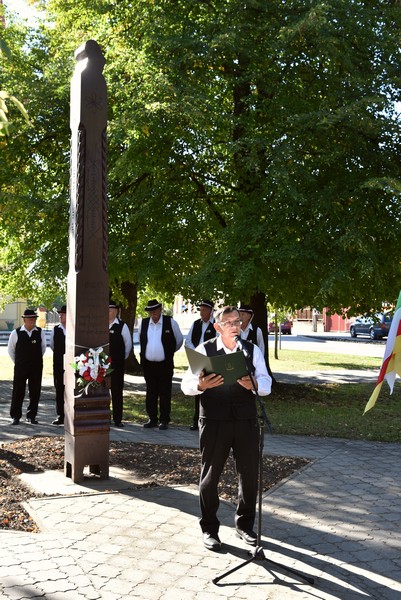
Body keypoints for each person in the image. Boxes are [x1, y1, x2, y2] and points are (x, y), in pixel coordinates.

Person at [181, 305, 271, 551]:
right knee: (210, 477)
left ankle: (245, 526)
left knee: (249, 475)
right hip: (214, 421)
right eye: (229, 322)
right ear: (217, 327)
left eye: (238, 322)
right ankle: (209, 529)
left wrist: (254, 384)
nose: (235, 326)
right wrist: (201, 385)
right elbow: (186, 384)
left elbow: (266, 382)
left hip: (245, 420)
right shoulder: (204, 350)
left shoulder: (250, 350)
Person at [139, 298, 183, 430]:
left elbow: (179, 341)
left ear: (160, 309)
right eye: (150, 311)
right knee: (151, 392)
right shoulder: (144, 323)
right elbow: (142, 341)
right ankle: (152, 418)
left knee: (165, 392)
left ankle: (164, 419)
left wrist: (168, 352)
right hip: (148, 365)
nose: (153, 313)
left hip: (165, 365)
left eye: (155, 310)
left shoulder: (170, 322)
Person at [8, 308, 47, 425]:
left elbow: (43, 348)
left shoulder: (40, 332)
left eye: (34, 318)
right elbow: (11, 350)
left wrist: (35, 360)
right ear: (24, 320)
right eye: (30, 319)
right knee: (18, 391)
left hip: (36, 367)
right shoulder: (16, 333)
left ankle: (31, 416)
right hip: (21, 367)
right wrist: (19, 362)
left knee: (35, 391)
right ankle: (15, 416)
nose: (32, 321)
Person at [185, 299, 215, 431]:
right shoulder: (196, 324)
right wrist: (197, 353)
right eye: (201, 310)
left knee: (211, 390)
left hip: (211, 362)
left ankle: (210, 419)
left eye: (204, 310)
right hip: (198, 361)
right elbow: (188, 341)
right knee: (198, 389)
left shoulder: (215, 325)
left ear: (211, 311)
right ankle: (196, 419)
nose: (202, 312)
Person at [109, 301, 132, 427]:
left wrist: (120, 358)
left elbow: (128, 345)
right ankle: (105, 416)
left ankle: (117, 419)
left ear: (116, 312)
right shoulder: (100, 325)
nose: (108, 312)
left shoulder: (122, 326)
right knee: (103, 392)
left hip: (117, 365)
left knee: (117, 392)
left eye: (111, 310)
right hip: (102, 366)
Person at [50, 305, 67, 425]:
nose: (60, 316)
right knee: (59, 389)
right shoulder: (56, 329)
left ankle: (71, 414)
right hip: (58, 365)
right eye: (60, 314)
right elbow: (52, 346)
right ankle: (60, 415)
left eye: (63, 314)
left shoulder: (75, 329)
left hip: (72, 365)